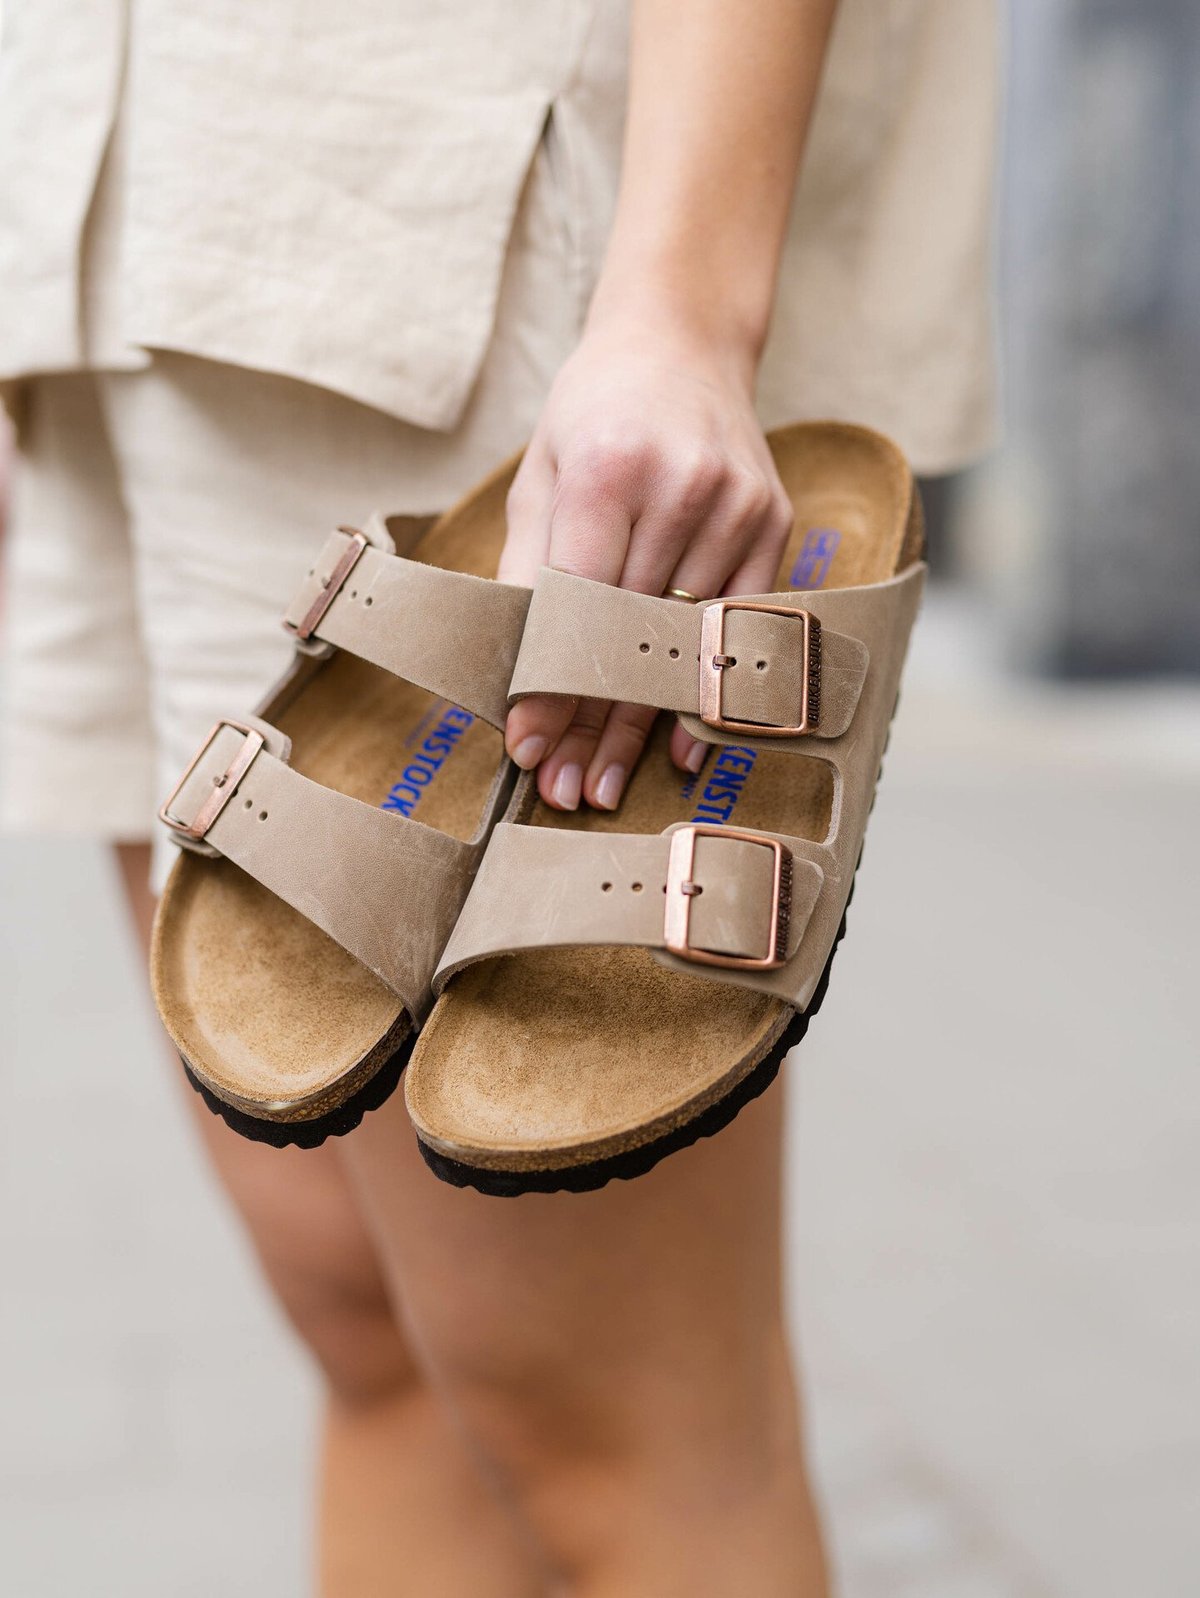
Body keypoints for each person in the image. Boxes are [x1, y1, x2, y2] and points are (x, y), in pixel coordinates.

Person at [0, 1, 998, 1591]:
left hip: (452, 197)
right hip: (98, 218)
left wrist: (680, 308)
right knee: (365, 1326)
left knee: (622, 1425)